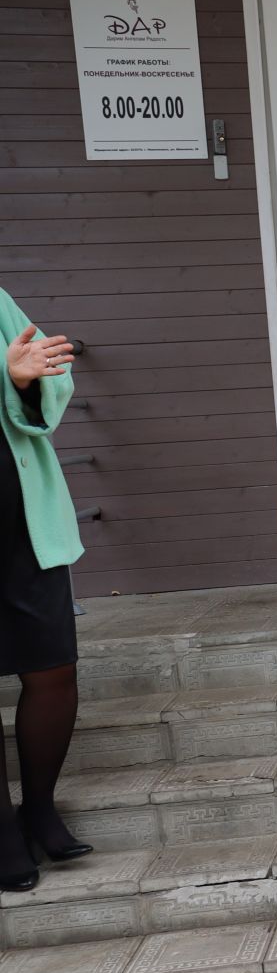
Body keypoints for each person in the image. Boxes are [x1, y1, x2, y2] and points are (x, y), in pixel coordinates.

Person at [0, 287, 89, 892]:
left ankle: (38, 806)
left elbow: (48, 381)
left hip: (23, 520)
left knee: (53, 668)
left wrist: (24, 383)